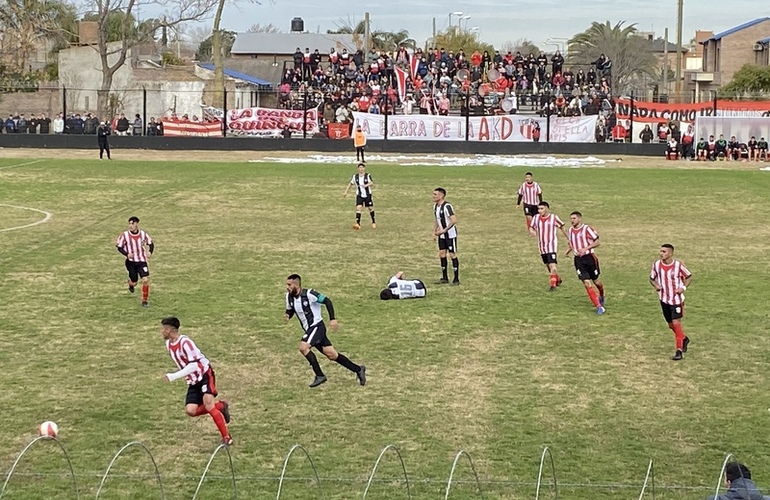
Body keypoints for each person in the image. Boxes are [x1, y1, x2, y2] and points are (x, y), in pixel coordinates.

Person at [160, 317, 233, 446]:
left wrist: (173, 376)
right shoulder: (168, 345)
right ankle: (221, 406)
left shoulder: (185, 343)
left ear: (169, 330)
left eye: (163, 329)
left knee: (209, 405)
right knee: (190, 411)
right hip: (193, 380)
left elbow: (194, 365)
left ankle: (226, 437)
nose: (161, 332)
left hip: (204, 375)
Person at [284, 274, 366, 388]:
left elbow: (327, 301)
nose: (287, 287)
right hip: (310, 329)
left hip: (317, 326)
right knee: (332, 355)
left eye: (289, 284)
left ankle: (320, 375)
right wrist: (288, 315)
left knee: (303, 347)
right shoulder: (289, 297)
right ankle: (358, 369)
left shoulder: (309, 294)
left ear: (296, 284)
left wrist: (332, 319)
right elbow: (291, 309)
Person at [650, 243, 692, 361]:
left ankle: (679, 350)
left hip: (676, 300)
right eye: (661, 251)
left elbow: (688, 276)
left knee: (676, 322)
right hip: (664, 299)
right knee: (670, 325)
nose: (661, 254)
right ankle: (683, 338)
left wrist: (683, 288)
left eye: (664, 252)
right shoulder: (656, 265)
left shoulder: (678, 266)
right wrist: (656, 285)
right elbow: (651, 278)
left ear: (671, 253)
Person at [566, 211, 605, 315]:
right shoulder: (570, 230)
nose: (572, 220)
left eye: (574, 218)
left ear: (579, 219)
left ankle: (601, 294)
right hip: (578, 260)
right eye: (571, 218)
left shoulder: (586, 229)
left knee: (597, 282)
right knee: (587, 283)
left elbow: (597, 242)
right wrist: (569, 251)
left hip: (590, 258)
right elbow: (571, 243)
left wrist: (586, 248)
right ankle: (599, 306)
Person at [529, 201, 568, 291]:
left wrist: (568, 237)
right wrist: (532, 231)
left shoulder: (554, 218)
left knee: (552, 265)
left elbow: (562, 226)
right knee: (548, 265)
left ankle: (553, 285)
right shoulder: (536, 218)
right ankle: (557, 279)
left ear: (547, 208)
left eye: (541, 208)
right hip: (541, 245)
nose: (539, 211)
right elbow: (531, 227)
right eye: (538, 209)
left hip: (551, 245)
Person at [116, 216, 154, 307]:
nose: (131, 226)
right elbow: (119, 247)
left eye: (132, 223)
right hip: (131, 262)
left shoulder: (143, 234)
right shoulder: (125, 235)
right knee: (134, 282)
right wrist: (127, 254)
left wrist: (149, 252)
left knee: (145, 280)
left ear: (137, 224)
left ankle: (144, 301)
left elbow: (151, 243)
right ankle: (131, 284)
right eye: (129, 224)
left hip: (141, 261)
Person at [432, 187, 459, 285]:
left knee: (452, 255)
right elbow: (436, 219)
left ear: (441, 195)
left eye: (435, 194)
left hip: (450, 235)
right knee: (442, 254)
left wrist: (444, 230)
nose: (433, 196)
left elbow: (454, 220)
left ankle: (456, 279)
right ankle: (445, 277)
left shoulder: (447, 206)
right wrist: (434, 232)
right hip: (441, 236)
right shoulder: (435, 206)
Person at [343, 163, 376, 230]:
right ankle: (358, 223)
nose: (361, 169)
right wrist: (346, 192)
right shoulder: (355, 177)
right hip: (359, 195)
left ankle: (373, 222)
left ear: (364, 168)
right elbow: (350, 184)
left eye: (362, 168)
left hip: (367, 195)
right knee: (358, 208)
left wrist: (366, 185)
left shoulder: (368, 175)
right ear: (358, 169)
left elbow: (371, 183)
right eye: (360, 168)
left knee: (370, 208)